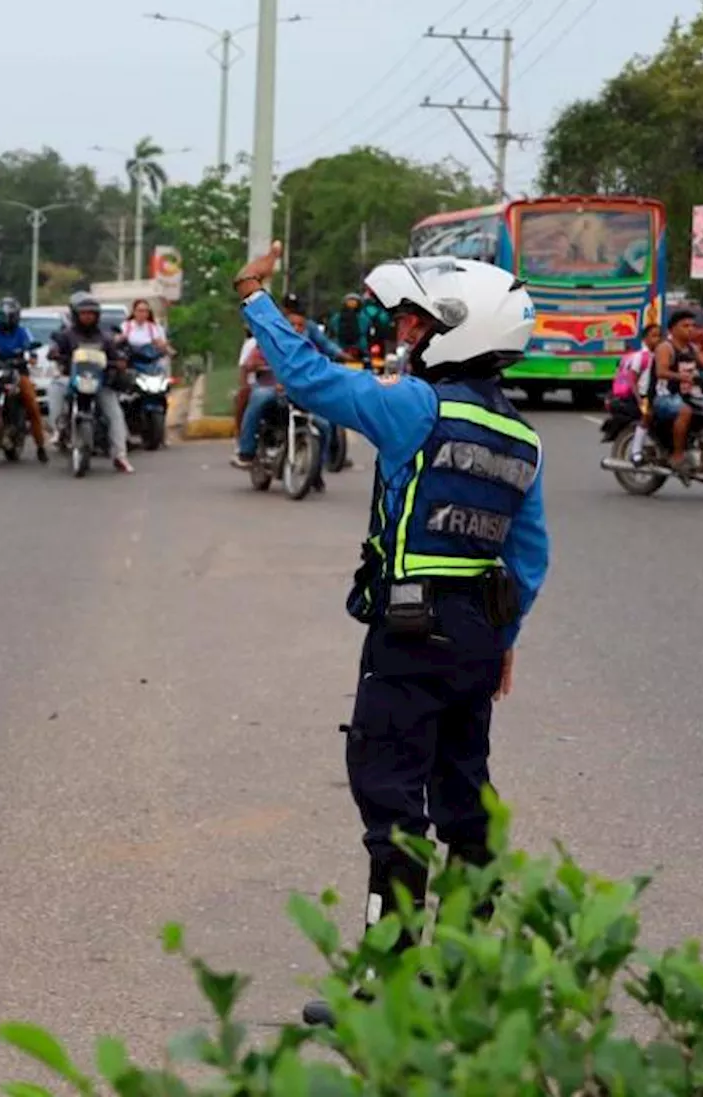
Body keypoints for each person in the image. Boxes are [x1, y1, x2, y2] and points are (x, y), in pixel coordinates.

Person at [233, 243, 549, 1027]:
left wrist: (255, 299)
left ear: (458, 331)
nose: (404, 331)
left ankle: (386, 988)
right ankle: (467, 974)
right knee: (465, 799)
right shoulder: (521, 439)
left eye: (417, 319)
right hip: (477, 632)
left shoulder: (419, 407)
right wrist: (504, 634)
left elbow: (310, 379)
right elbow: (529, 555)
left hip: (411, 631)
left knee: (392, 801)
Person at [231, 298, 337, 485]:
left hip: (300, 397)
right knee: (259, 398)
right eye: (292, 324)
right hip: (272, 391)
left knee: (325, 425)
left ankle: (317, 471)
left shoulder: (309, 349)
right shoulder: (269, 343)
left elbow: (321, 369)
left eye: (300, 325)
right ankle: (246, 451)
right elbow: (249, 364)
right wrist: (259, 367)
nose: (296, 328)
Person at [47, 291, 134, 473]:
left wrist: (119, 362)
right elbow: (55, 349)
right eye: (84, 313)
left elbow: (116, 356)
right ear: (76, 315)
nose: (88, 317)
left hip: (99, 383)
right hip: (72, 380)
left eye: (91, 313)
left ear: (97, 316)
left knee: (115, 413)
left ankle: (120, 456)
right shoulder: (67, 335)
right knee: (55, 388)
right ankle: (57, 429)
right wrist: (55, 353)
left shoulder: (105, 337)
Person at [0, 297, 49, 462]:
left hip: (16, 371)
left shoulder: (22, 331)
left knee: (32, 403)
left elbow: (31, 346)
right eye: (2, 316)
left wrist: (31, 356)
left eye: (9, 316)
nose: (6, 320)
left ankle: (40, 445)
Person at [653, 308, 703, 471]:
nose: (690, 329)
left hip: (688, 395)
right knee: (685, 411)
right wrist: (683, 377)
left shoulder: (692, 348)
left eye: (692, 326)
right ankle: (677, 456)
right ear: (673, 329)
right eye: (685, 326)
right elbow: (661, 371)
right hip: (665, 396)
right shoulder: (666, 347)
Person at [610, 324, 662, 465]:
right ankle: (636, 452)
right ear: (645, 339)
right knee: (646, 416)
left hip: (655, 395)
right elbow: (632, 379)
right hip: (642, 396)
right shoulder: (641, 357)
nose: (657, 339)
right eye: (654, 336)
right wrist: (639, 400)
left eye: (659, 336)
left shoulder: (658, 355)